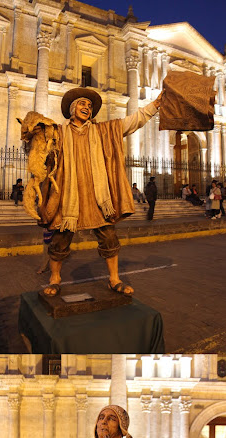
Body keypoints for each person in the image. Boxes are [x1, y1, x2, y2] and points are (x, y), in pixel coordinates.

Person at [25, 87, 163, 297]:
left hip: (97, 196)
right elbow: (36, 148)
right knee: (60, 239)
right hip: (68, 195)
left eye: (89, 106)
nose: (87, 108)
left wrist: (155, 106)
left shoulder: (102, 131)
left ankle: (114, 279)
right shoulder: (59, 133)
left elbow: (132, 122)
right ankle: (55, 279)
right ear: (72, 109)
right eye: (82, 104)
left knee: (109, 236)